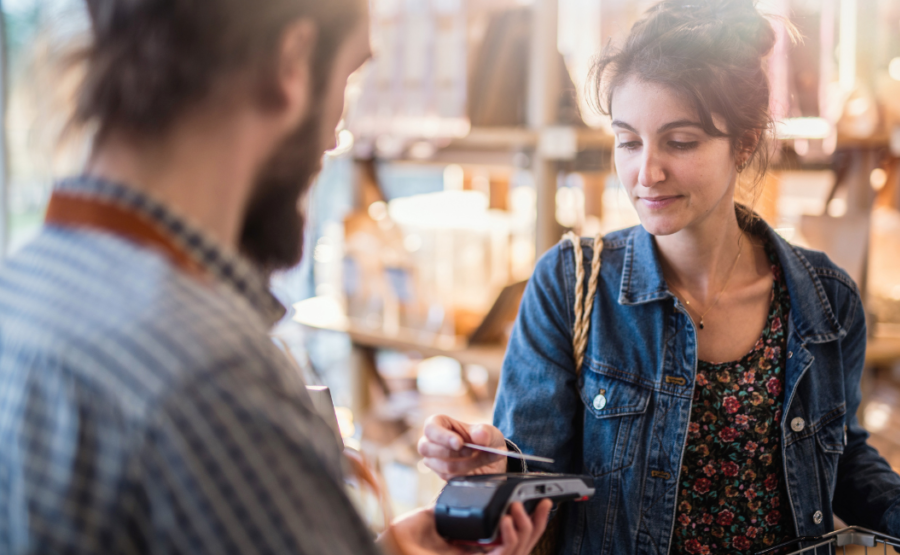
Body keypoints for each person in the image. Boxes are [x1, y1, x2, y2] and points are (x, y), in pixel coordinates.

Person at [418, 1, 900, 554]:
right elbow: (532, 472)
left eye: (681, 142)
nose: (647, 172)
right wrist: (490, 470)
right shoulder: (569, 285)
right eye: (628, 141)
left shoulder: (825, 299)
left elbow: (843, 458)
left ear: (743, 143)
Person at [0, 1, 552, 554]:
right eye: (347, 81)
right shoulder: (216, 377)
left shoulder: (21, 292)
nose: (335, 137)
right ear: (292, 61)